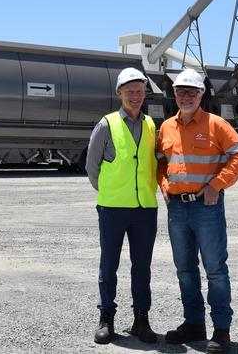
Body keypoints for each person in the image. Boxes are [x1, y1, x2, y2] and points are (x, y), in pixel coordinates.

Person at [156, 68, 238, 354]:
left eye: (191, 92)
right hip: (177, 209)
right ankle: (194, 324)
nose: (185, 96)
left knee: (215, 270)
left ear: (201, 95)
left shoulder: (216, 124)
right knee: (185, 270)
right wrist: (164, 185)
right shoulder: (166, 127)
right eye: (181, 92)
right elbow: (161, 162)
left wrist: (216, 186)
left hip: (206, 207)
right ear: (174, 95)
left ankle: (221, 330)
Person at [85, 67, 159, 345]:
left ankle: (142, 319)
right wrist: (108, 191)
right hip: (113, 208)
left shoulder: (151, 125)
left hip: (145, 209)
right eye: (130, 92)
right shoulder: (106, 125)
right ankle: (106, 318)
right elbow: (92, 167)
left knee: (142, 267)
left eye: (140, 91)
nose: (136, 96)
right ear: (119, 94)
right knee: (109, 264)